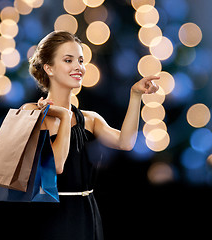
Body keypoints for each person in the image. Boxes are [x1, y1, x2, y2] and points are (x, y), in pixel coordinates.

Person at [23, 30, 159, 240]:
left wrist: (135, 95)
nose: (78, 67)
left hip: (87, 212)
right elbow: (56, 166)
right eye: (68, 60)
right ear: (48, 68)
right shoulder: (31, 112)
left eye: (80, 60)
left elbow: (126, 143)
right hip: (50, 216)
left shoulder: (90, 118)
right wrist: (65, 118)